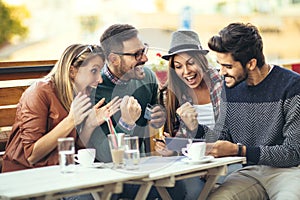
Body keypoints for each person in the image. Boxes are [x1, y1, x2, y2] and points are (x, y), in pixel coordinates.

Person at [204, 22, 300, 199]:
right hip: (250, 172)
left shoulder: (292, 87)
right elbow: (225, 136)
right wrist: (194, 128)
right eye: (220, 65)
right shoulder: (230, 87)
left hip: (289, 172)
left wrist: (241, 151)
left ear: (251, 63)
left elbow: (293, 153)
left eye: (228, 66)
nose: (222, 72)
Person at [2, 44, 121, 173]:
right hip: (27, 174)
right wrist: (71, 120)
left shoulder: (81, 93)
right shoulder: (39, 92)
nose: (100, 79)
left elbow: (76, 148)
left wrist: (89, 125)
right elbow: (32, 155)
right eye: (94, 71)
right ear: (72, 71)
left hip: (64, 170)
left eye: (100, 71)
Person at [154, 30, 223, 200]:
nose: (186, 71)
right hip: (192, 165)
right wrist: (170, 148)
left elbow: (233, 134)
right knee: (186, 192)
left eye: (190, 63)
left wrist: (195, 127)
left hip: (224, 158)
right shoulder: (172, 95)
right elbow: (181, 142)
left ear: (202, 60)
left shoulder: (222, 85)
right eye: (178, 66)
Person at [90, 24, 165, 163]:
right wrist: (126, 123)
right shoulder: (93, 89)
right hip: (107, 172)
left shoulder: (148, 78)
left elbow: (150, 124)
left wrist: (157, 118)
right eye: (137, 54)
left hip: (141, 164)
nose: (145, 59)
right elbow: (104, 156)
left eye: (144, 50)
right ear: (114, 59)